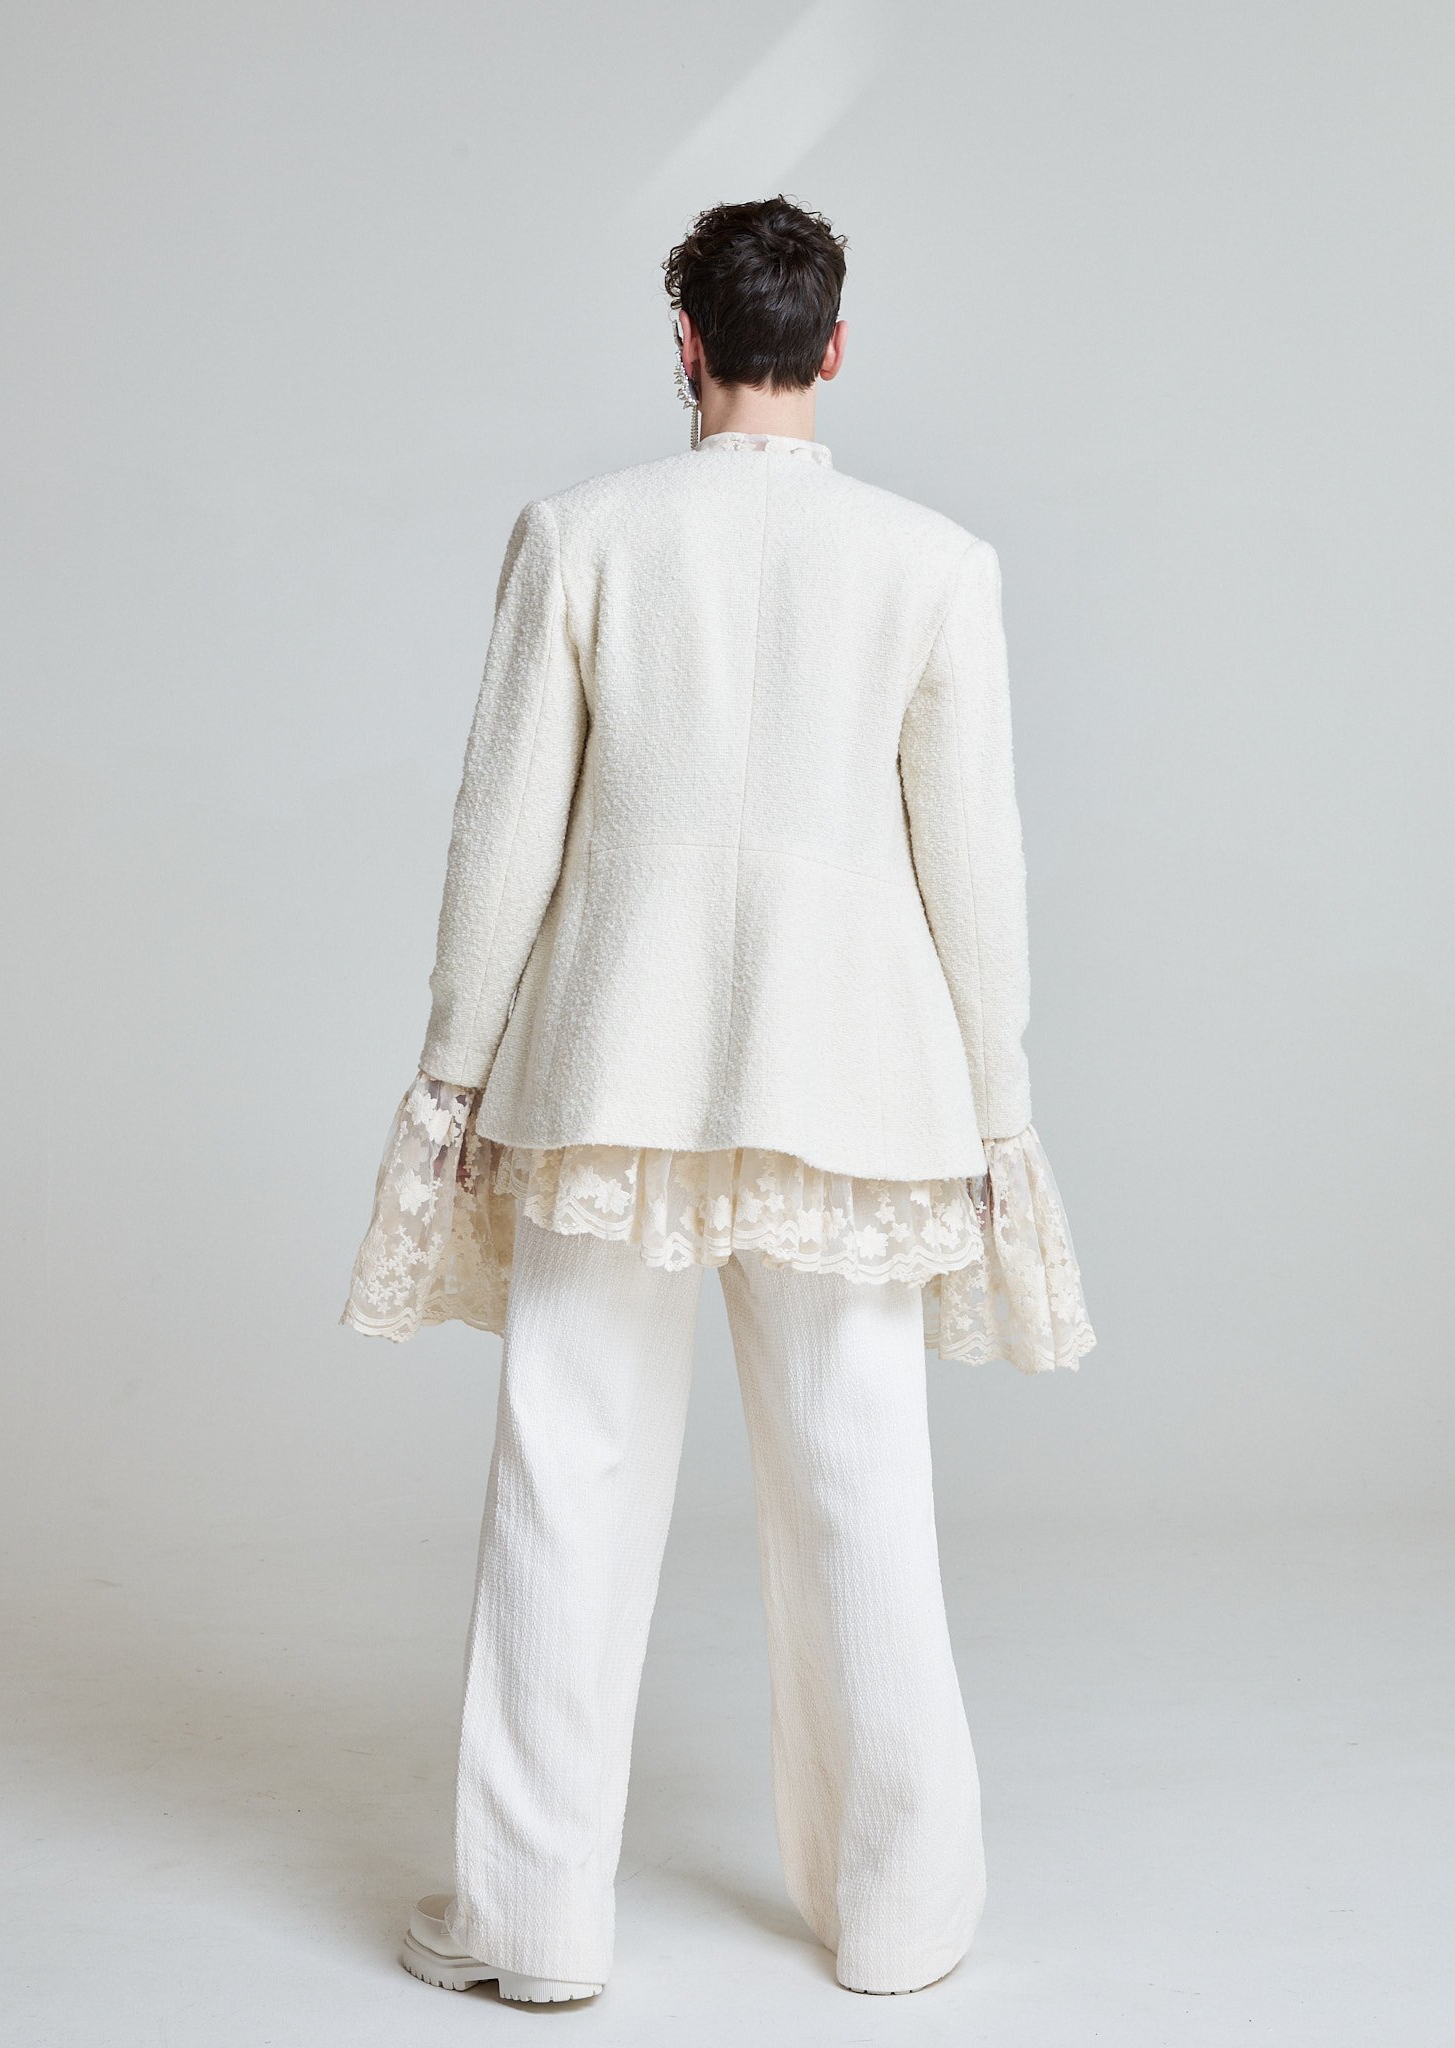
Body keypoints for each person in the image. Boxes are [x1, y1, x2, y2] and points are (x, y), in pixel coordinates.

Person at [342, 194, 1095, 2003]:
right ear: (833, 349)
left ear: (684, 344)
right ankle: (900, 1915)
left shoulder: (579, 537)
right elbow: (976, 876)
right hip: (856, 1072)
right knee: (859, 1484)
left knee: (569, 1471)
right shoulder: (935, 563)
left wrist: (452, 1074)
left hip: (614, 1058)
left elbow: (499, 845)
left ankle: (532, 1923)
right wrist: (998, 1117)